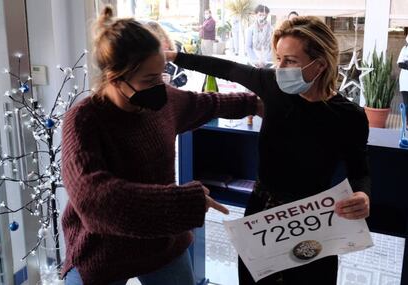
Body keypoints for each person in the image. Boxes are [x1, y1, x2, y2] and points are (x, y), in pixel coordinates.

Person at [61, 6, 260, 285]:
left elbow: (206, 102)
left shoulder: (163, 100)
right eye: (150, 79)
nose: (161, 85)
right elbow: (94, 200)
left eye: (161, 75)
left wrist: (254, 103)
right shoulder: (83, 120)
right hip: (102, 248)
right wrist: (181, 202)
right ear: (114, 78)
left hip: (161, 241)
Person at [166, 16, 370, 285]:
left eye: (291, 60)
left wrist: (363, 195)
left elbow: (360, 170)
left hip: (313, 221)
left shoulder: (349, 116)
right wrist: (175, 56)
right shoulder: (273, 86)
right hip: (261, 214)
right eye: (278, 58)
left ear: (319, 65)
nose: (280, 67)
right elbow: (226, 68)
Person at [145, 21, 188, 88]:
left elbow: (183, 79)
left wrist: (170, 80)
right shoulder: (141, 53)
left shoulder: (173, 50)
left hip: (168, 94)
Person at [397, 29, 408, 130]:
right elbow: (400, 63)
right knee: (406, 104)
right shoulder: (404, 48)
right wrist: (407, 64)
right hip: (405, 81)